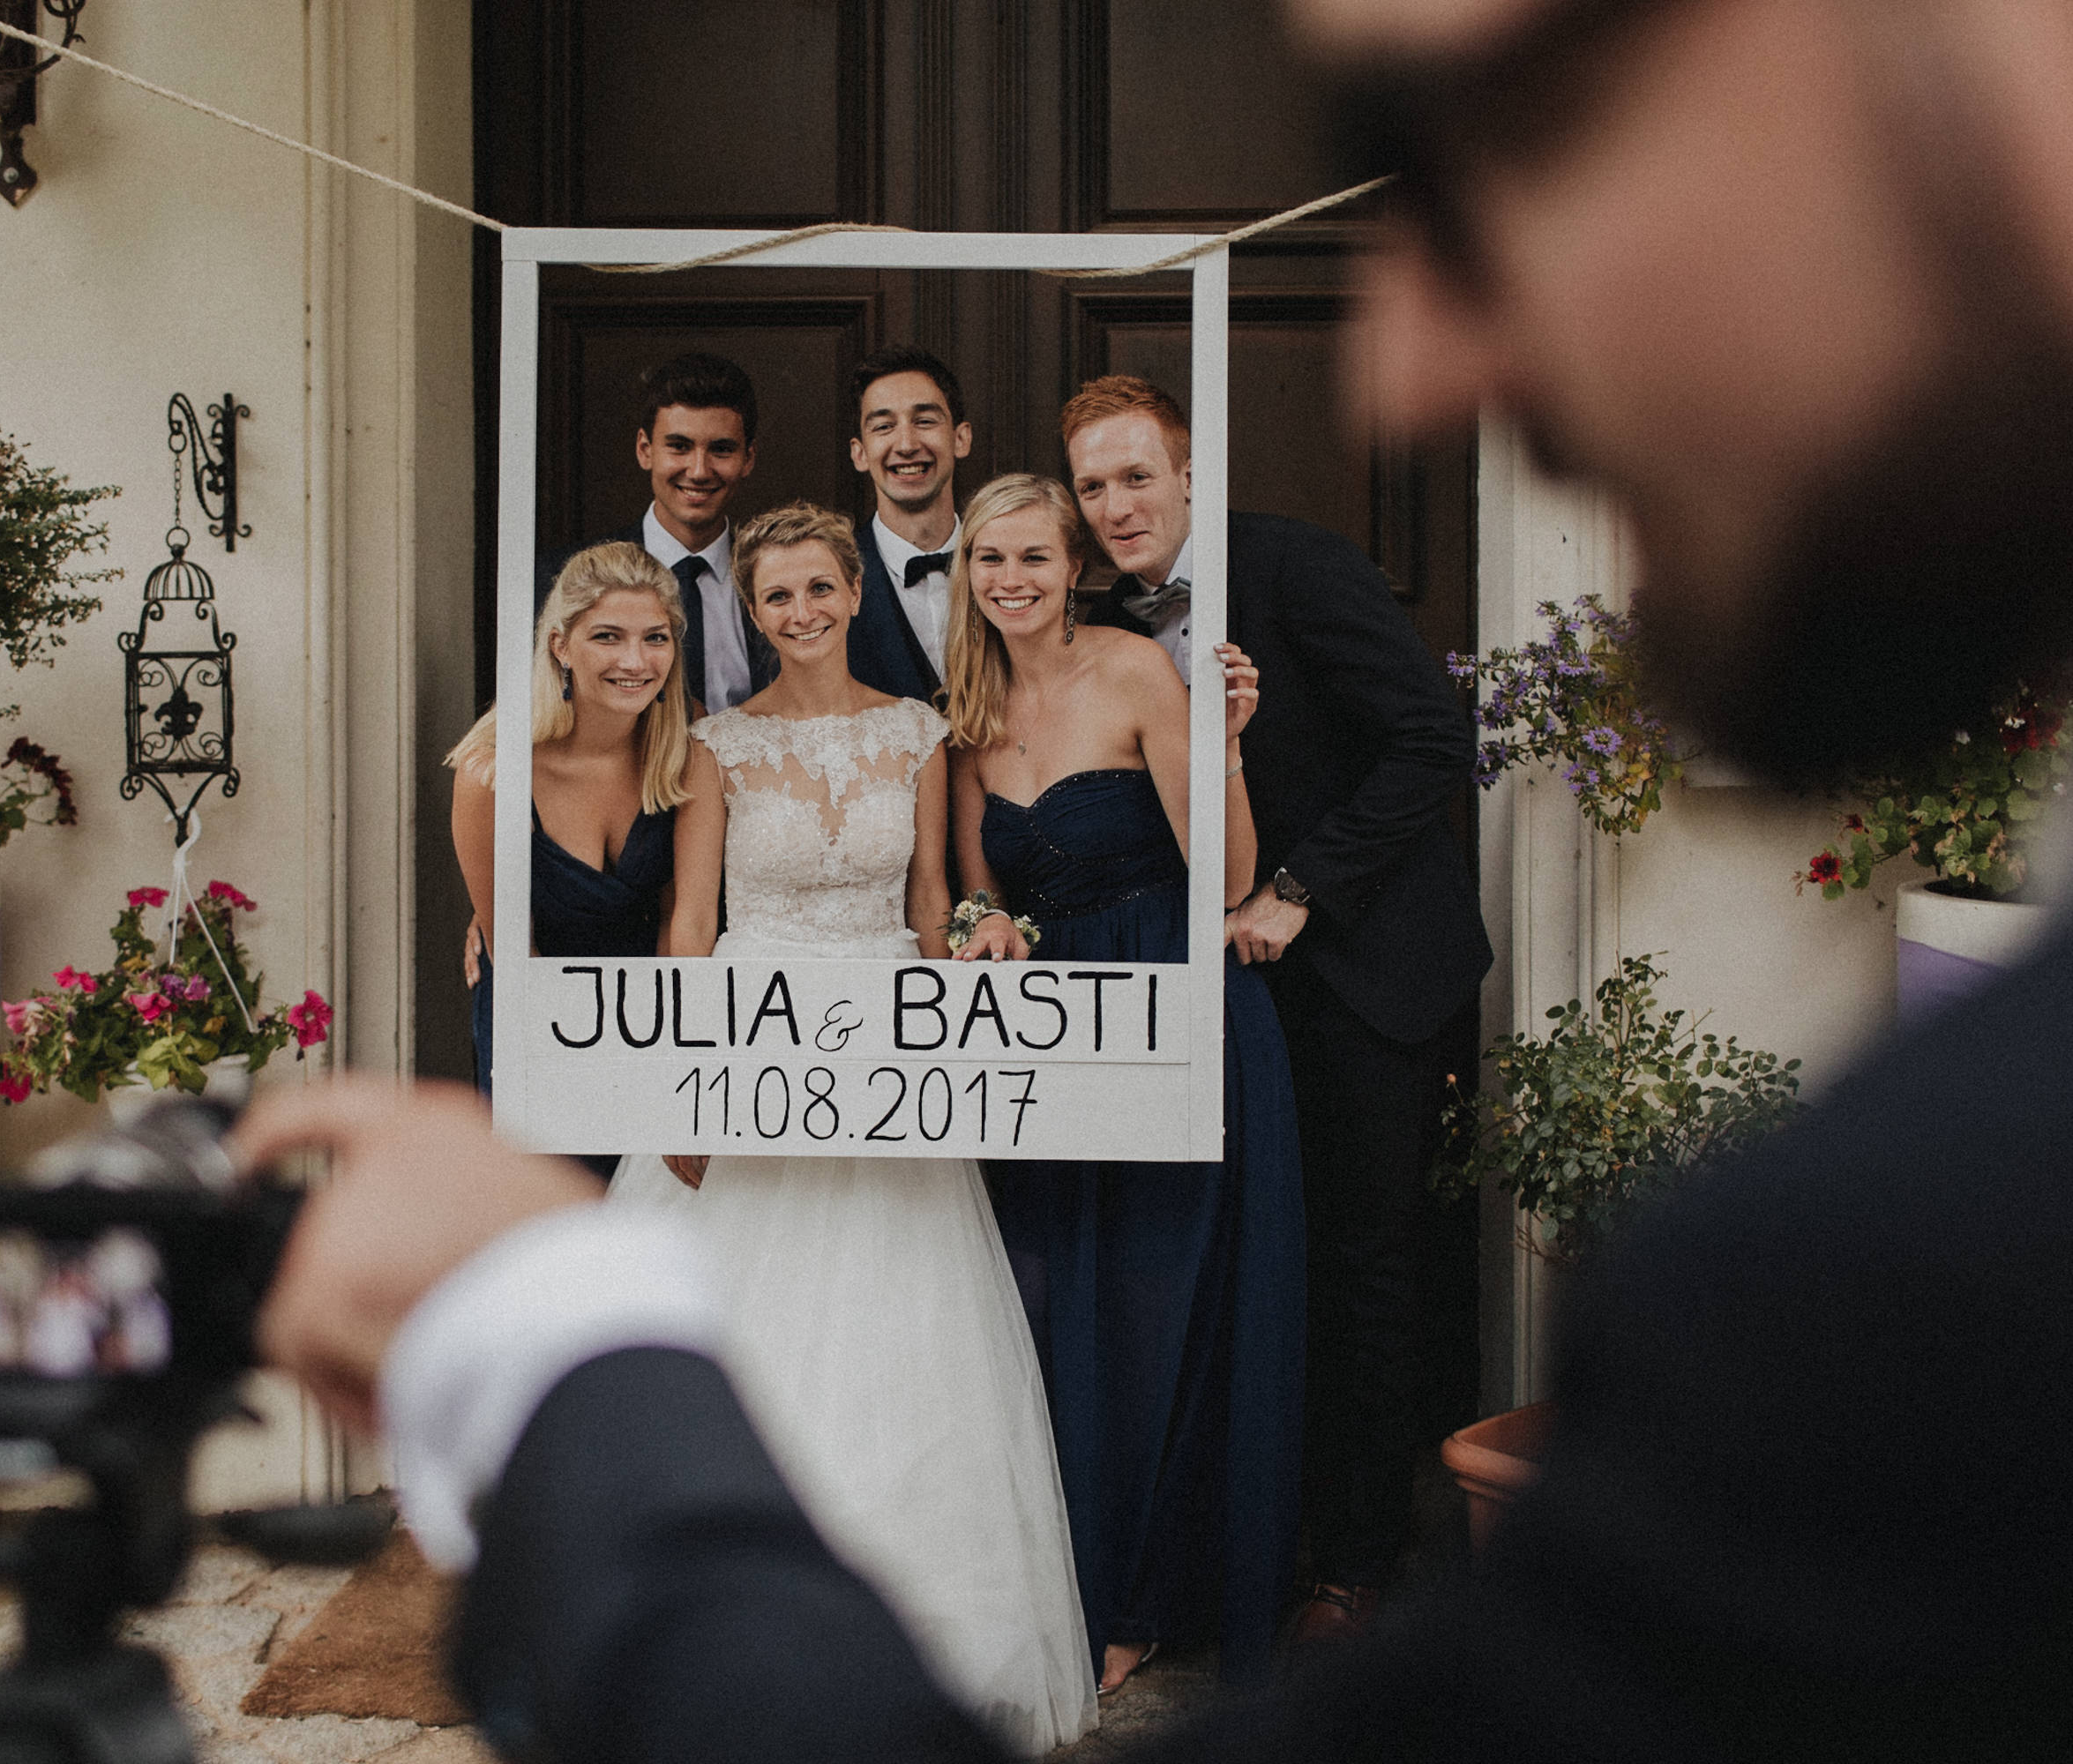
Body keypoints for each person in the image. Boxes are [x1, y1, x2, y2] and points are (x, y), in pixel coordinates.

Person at [237, 0, 2073, 1755]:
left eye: (1527, 119)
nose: (1411, 354)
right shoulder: (1912, 1257)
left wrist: (544, 1343)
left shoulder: (1884, 1271)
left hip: (1224, 999)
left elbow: (1302, 809)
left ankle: (1288, 1562)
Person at [607, 501, 1097, 1754]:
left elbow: (934, 898)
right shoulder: (713, 742)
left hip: (890, 1069)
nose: (801, 612)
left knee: (905, 1346)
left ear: (847, 593)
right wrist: (682, 1089)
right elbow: (689, 921)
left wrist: (962, 1007)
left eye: (819, 589)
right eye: (775, 597)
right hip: (754, 1062)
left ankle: (922, 1641)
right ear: (752, 611)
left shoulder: (918, 731)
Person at [1065, 374, 1493, 1638]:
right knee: (1260, 1262)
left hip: (1366, 972)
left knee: (1364, 1261)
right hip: (1228, 995)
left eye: (1134, 476)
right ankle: (1254, 1544)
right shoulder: (1104, 618)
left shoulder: (1295, 568)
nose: (1113, 505)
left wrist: (1298, 890)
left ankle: (1359, 1565)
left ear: (1189, 474)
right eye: (1091, 485)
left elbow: (1430, 737)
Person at [941, 473, 1306, 1691]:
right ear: (967, 573)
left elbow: (1225, 876)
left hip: (1170, 1004)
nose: (1012, 580)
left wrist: (1230, 752)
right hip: (1039, 1042)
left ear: (1068, 565)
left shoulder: (1139, 670)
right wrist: (980, 920)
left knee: (1159, 1307)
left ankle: (1143, 1600)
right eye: (989, 560)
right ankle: (1064, 1576)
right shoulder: (964, 708)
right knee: (1044, 1305)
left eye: (1034, 558)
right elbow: (964, 889)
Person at [447, 542, 725, 1177]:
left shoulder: (688, 746)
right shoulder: (492, 773)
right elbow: (512, 950)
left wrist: (676, 1072)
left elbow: (683, 922)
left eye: (655, 638)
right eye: (607, 636)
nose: (635, 661)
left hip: (655, 1013)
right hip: (536, 1017)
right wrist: (565, 1077)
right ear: (559, 645)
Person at [568, 353, 780, 716]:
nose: (698, 471)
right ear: (644, 449)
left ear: (749, 458)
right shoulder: (567, 577)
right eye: (679, 447)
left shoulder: (775, 576)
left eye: (721, 449)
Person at [843, 345, 976, 703]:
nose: (906, 444)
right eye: (884, 426)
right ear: (860, 452)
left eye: (925, 421)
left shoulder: (1009, 564)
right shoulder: (831, 579)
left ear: (961, 438)